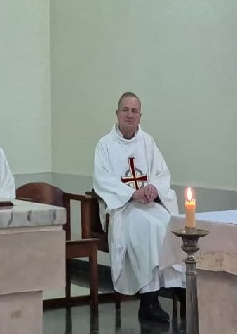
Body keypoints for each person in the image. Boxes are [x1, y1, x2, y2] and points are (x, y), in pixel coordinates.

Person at [93, 92, 186, 324]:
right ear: (117, 113)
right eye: (125, 110)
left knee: (168, 223)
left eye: (134, 111)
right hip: (124, 209)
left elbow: (162, 174)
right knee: (147, 227)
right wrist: (131, 193)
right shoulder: (105, 145)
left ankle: (179, 289)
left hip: (148, 205)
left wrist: (154, 188)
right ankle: (149, 300)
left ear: (140, 115)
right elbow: (102, 180)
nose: (129, 115)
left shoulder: (148, 142)